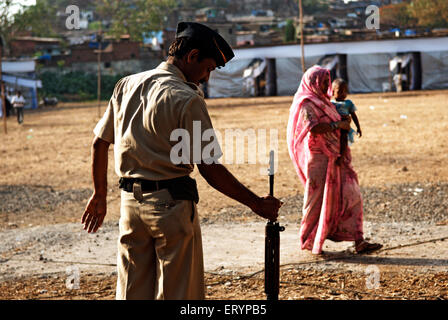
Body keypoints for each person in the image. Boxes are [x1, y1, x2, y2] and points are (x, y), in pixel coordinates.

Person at [81, 22, 282, 300]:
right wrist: (256, 203)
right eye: (208, 68)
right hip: (170, 207)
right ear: (192, 56)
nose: (207, 78)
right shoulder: (187, 99)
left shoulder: (126, 85)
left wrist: (99, 195)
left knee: (131, 291)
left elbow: (99, 142)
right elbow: (210, 168)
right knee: (179, 294)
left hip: (129, 207)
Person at [286, 65, 382, 255]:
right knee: (316, 201)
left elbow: (345, 120)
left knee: (351, 196)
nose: (325, 87)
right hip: (319, 159)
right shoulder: (307, 103)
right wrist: (338, 124)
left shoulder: (327, 102)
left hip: (338, 157)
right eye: (322, 83)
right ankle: (310, 240)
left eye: (326, 83)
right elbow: (313, 128)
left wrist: (344, 127)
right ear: (312, 83)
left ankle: (358, 240)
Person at [331, 78, 362, 166]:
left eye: (345, 91)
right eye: (340, 91)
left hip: (344, 126)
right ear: (333, 92)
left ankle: (341, 157)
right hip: (334, 126)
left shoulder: (348, 103)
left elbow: (354, 116)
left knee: (344, 140)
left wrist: (358, 127)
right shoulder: (331, 103)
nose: (343, 94)